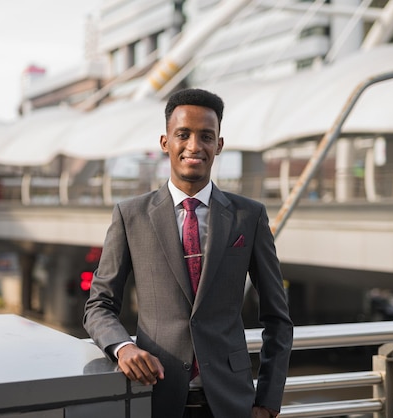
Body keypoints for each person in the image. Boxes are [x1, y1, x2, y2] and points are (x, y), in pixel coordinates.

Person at [83, 88, 293, 418]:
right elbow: (99, 305)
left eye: (206, 136)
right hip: (154, 396)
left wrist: (267, 402)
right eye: (183, 134)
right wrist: (123, 348)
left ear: (219, 145)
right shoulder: (131, 215)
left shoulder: (248, 216)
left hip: (231, 402)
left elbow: (278, 319)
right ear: (166, 142)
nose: (194, 146)